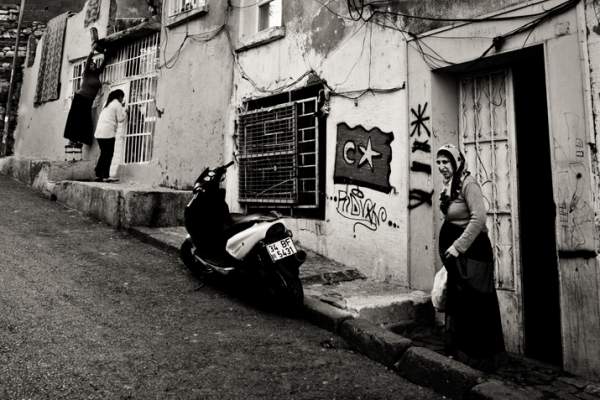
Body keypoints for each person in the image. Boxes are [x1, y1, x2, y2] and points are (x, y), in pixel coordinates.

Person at [436, 143, 505, 372]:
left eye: (446, 162)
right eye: (439, 162)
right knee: (461, 302)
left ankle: (481, 358)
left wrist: (458, 246)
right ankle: (462, 353)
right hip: (458, 258)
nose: (442, 166)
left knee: (476, 303)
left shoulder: (469, 183)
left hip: (474, 254)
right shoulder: (450, 185)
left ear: (456, 162)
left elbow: (479, 219)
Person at [63, 44, 109, 147]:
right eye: (91, 65)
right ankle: (72, 140)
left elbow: (103, 64)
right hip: (80, 98)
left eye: (94, 65)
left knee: (85, 120)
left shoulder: (97, 74)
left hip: (88, 101)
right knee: (76, 119)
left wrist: (106, 54)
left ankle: (81, 140)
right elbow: (88, 61)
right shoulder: (86, 73)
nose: (93, 65)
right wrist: (92, 51)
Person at [94, 89, 126, 182]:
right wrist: (125, 112)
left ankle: (98, 175)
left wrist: (121, 108)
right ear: (119, 97)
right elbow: (120, 119)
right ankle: (105, 176)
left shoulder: (107, 103)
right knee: (108, 154)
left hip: (99, 133)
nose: (122, 100)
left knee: (104, 154)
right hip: (108, 133)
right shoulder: (117, 104)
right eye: (122, 98)